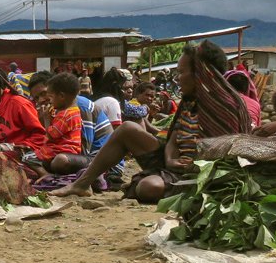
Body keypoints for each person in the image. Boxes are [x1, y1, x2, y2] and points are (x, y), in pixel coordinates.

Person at [52, 40, 251, 201]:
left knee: (148, 188)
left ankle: (167, 185)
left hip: (201, 176)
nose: (178, 78)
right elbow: (174, 137)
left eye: (182, 72)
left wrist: (191, 165)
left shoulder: (229, 107)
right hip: (173, 165)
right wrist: (171, 156)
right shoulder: (189, 102)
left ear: (202, 74)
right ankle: (81, 184)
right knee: (127, 129)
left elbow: (229, 161)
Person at [28, 71, 116, 177]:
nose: (41, 100)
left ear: (58, 92)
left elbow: (84, 148)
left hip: (104, 163)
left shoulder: (79, 107)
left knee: (57, 161)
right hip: (80, 159)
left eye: (44, 93)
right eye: (36, 98)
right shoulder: (59, 108)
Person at [23, 73, 82, 181]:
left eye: (48, 95)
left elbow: (51, 135)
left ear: (61, 96)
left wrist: (46, 119)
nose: (41, 100)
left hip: (64, 153)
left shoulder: (65, 113)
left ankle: (45, 174)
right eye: (36, 98)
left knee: (27, 158)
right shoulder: (74, 111)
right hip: (69, 153)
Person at [0, 67, 45, 150]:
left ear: (1, 84)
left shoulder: (19, 104)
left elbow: (40, 136)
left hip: (22, 156)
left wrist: (13, 147)